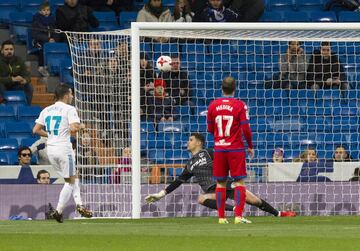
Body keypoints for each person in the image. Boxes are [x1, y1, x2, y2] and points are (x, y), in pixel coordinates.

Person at [145, 133, 297, 218]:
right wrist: (161, 194)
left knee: (255, 200)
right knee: (201, 198)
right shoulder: (189, 164)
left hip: (224, 183)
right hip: (211, 191)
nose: (188, 142)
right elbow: (178, 181)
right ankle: (235, 209)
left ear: (199, 143)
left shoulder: (208, 152)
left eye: (190, 140)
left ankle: (279, 213)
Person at [33, 84, 92, 223]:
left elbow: (35, 129)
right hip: (64, 149)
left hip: (51, 150)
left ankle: (79, 205)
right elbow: (73, 128)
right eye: (71, 94)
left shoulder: (46, 110)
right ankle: (59, 211)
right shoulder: (70, 109)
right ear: (66, 95)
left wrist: (52, 135)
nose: (72, 96)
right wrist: (81, 126)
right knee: (70, 181)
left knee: (73, 176)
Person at [207, 76, 254, 224]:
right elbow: (246, 129)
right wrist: (250, 146)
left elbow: (210, 129)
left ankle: (221, 218)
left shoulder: (213, 105)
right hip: (236, 149)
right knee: (239, 182)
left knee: (220, 183)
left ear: (222, 88)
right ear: (235, 88)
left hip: (219, 149)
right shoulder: (240, 105)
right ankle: (238, 216)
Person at [0, 40, 34, 105]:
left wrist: (25, 80)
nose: (9, 51)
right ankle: (3, 105)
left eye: (11, 49)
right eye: (6, 49)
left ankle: (27, 106)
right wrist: (12, 79)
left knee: (29, 86)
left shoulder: (19, 60)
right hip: (2, 86)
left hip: (15, 86)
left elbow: (27, 75)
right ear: (2, 51)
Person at [32, 2, 58, 77]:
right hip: (38, 41)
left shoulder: (52, 19)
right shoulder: (36, 20)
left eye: (48, 10)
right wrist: (48, 39)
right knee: (42, 47)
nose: (46, 12)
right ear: (39, 11)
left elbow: (56, 31)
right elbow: (36, 34)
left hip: (51, 40)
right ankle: (41, 66)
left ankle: (52, 66)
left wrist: (54, 39)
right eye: (44, 10)